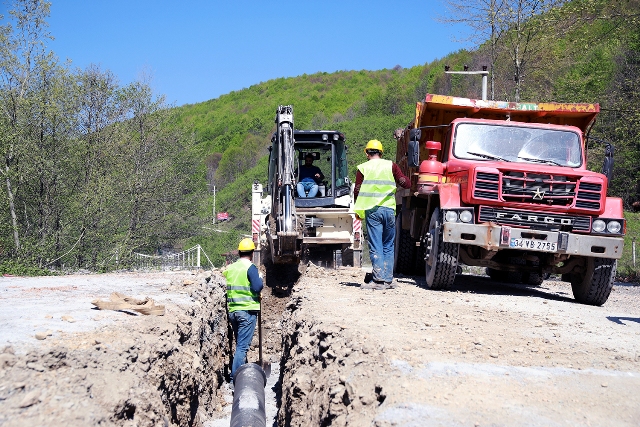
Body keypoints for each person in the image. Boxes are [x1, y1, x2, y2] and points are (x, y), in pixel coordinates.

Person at [353, 139, 410, 289]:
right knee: (388, 245)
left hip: (373, 211)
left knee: (376, 244)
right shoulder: (391, 165)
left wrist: (358, 211)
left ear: (367, 153)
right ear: (381, 152)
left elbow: (357, 190)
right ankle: (388, 279)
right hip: (389, 210)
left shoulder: (363, 168)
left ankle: (378, 281)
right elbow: (405, 183)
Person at [223, 238, 263, 382]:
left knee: (240, 343)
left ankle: (242, 372)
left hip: (233, 311)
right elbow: (257, 287)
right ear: (252, 253)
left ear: (239, 252)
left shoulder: (231, 268)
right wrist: (260, 278)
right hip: (247, 311)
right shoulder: (250, 267)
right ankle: (237, 379)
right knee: (242, 347)